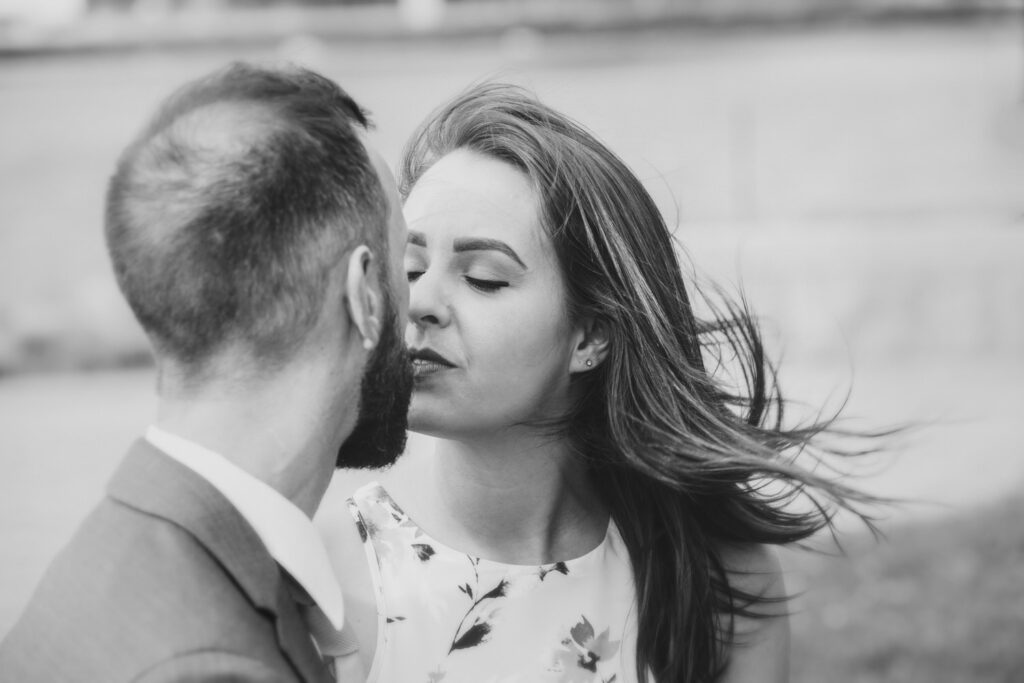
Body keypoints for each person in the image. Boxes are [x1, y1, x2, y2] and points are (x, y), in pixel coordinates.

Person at [316, 82, 881, 683]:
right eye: (410, 267)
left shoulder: (715, 582)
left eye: (482, 278)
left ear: (589, 337)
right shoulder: (328, 581)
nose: (420, 302)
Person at [0, 62, 413, 682]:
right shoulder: (211, 667)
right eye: (404, 261)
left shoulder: (121, 549)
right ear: (362, 295)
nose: (423, 305)